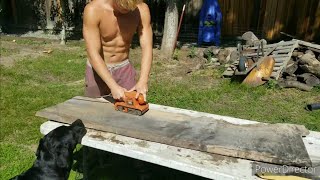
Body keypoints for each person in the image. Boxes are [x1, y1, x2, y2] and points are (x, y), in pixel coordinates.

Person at [83, 0, 153, 101]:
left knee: (132, 109)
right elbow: (93, 53)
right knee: (95, 111)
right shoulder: (94, 9)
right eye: (123, 6)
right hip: (97, 70)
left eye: (130, 8)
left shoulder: (142, 10)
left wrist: (143, 80)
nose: (127, 10)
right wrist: (113, 86)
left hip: (123, 69)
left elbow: (147, 47)